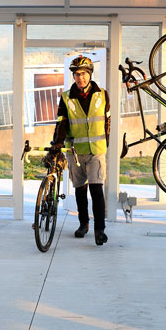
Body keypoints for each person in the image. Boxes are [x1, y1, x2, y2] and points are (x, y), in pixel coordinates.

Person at [50, 55, 111, 246]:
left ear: (90, 74)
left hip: (96, 151)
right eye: (76, 74)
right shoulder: (66, 97)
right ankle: (83, 224)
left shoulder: (102, 94)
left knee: (96, 188)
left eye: (83, 74)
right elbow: (62, 123)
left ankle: (99, 230)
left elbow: (107, 121)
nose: (80, 78)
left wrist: (105, 143)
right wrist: (57, 144)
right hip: (75, 151)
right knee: (80, 190)